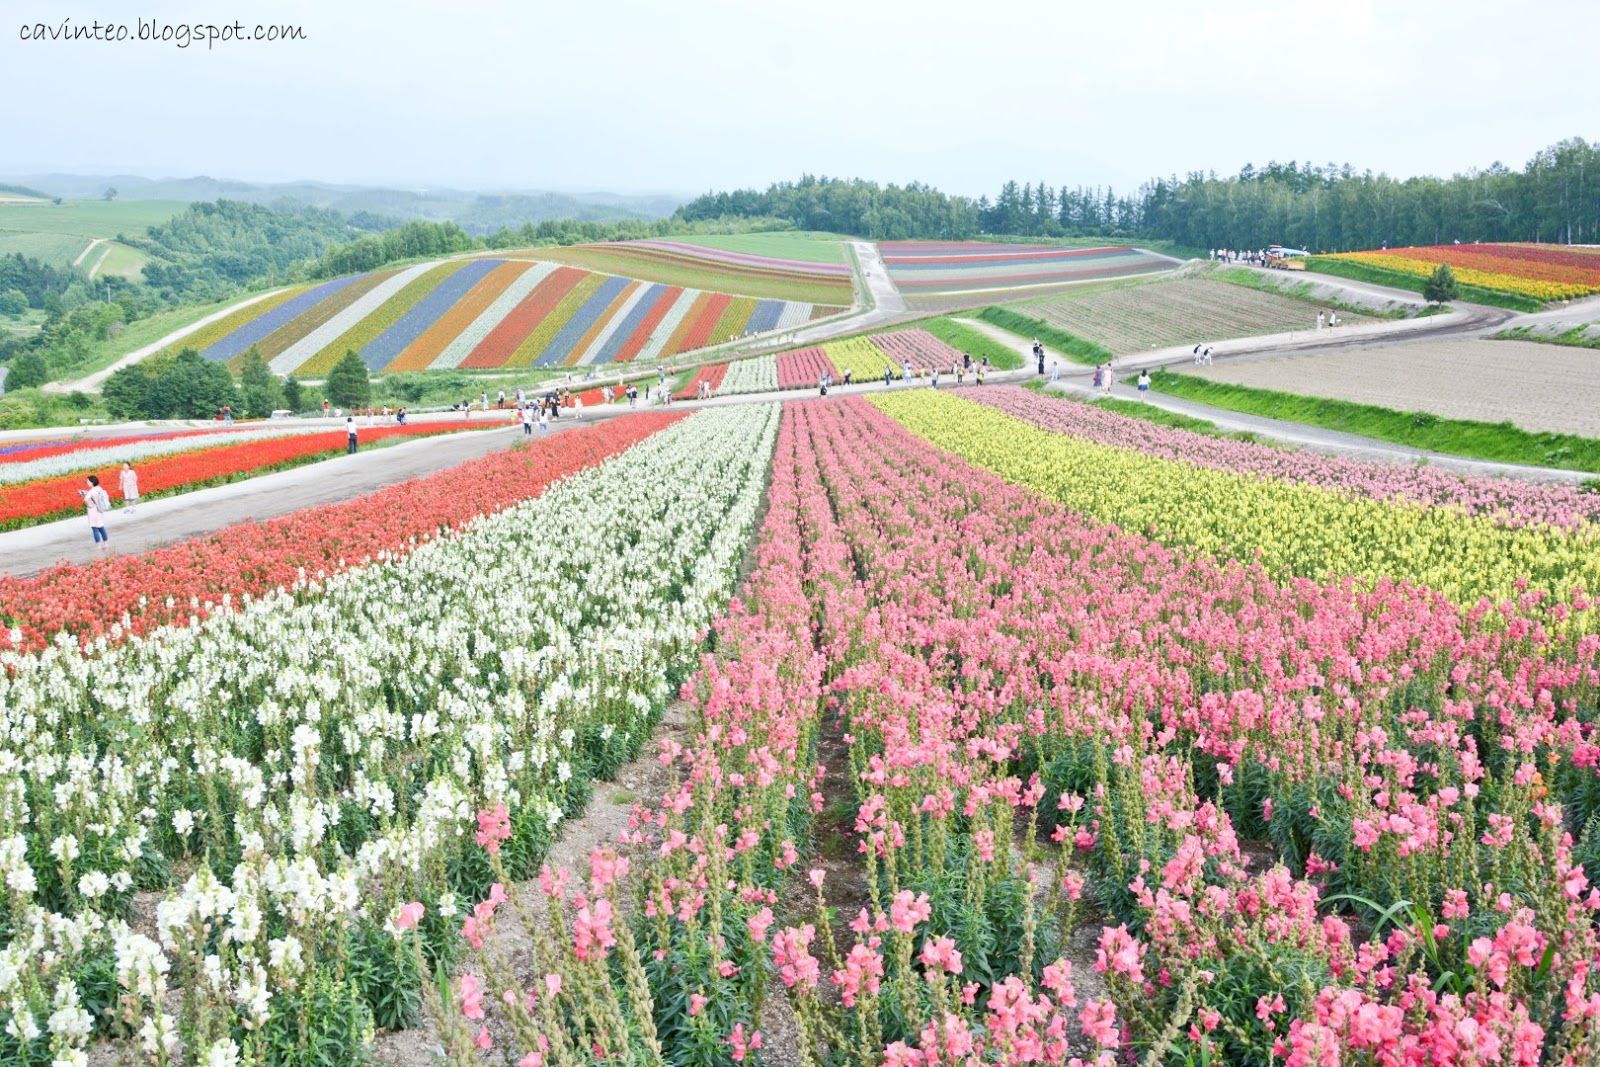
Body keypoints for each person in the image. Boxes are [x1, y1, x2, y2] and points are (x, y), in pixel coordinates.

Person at [81, 475, 112, 548]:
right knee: (101, 527)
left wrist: (89, 505)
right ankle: (106, 543)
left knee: (94, 528)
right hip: (100, 510)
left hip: (93, 511)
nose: (87, 483)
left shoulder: (91, 491)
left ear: (92, 482)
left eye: (88, 481)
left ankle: (98, 545)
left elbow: (85, 500)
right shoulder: (99, 488)